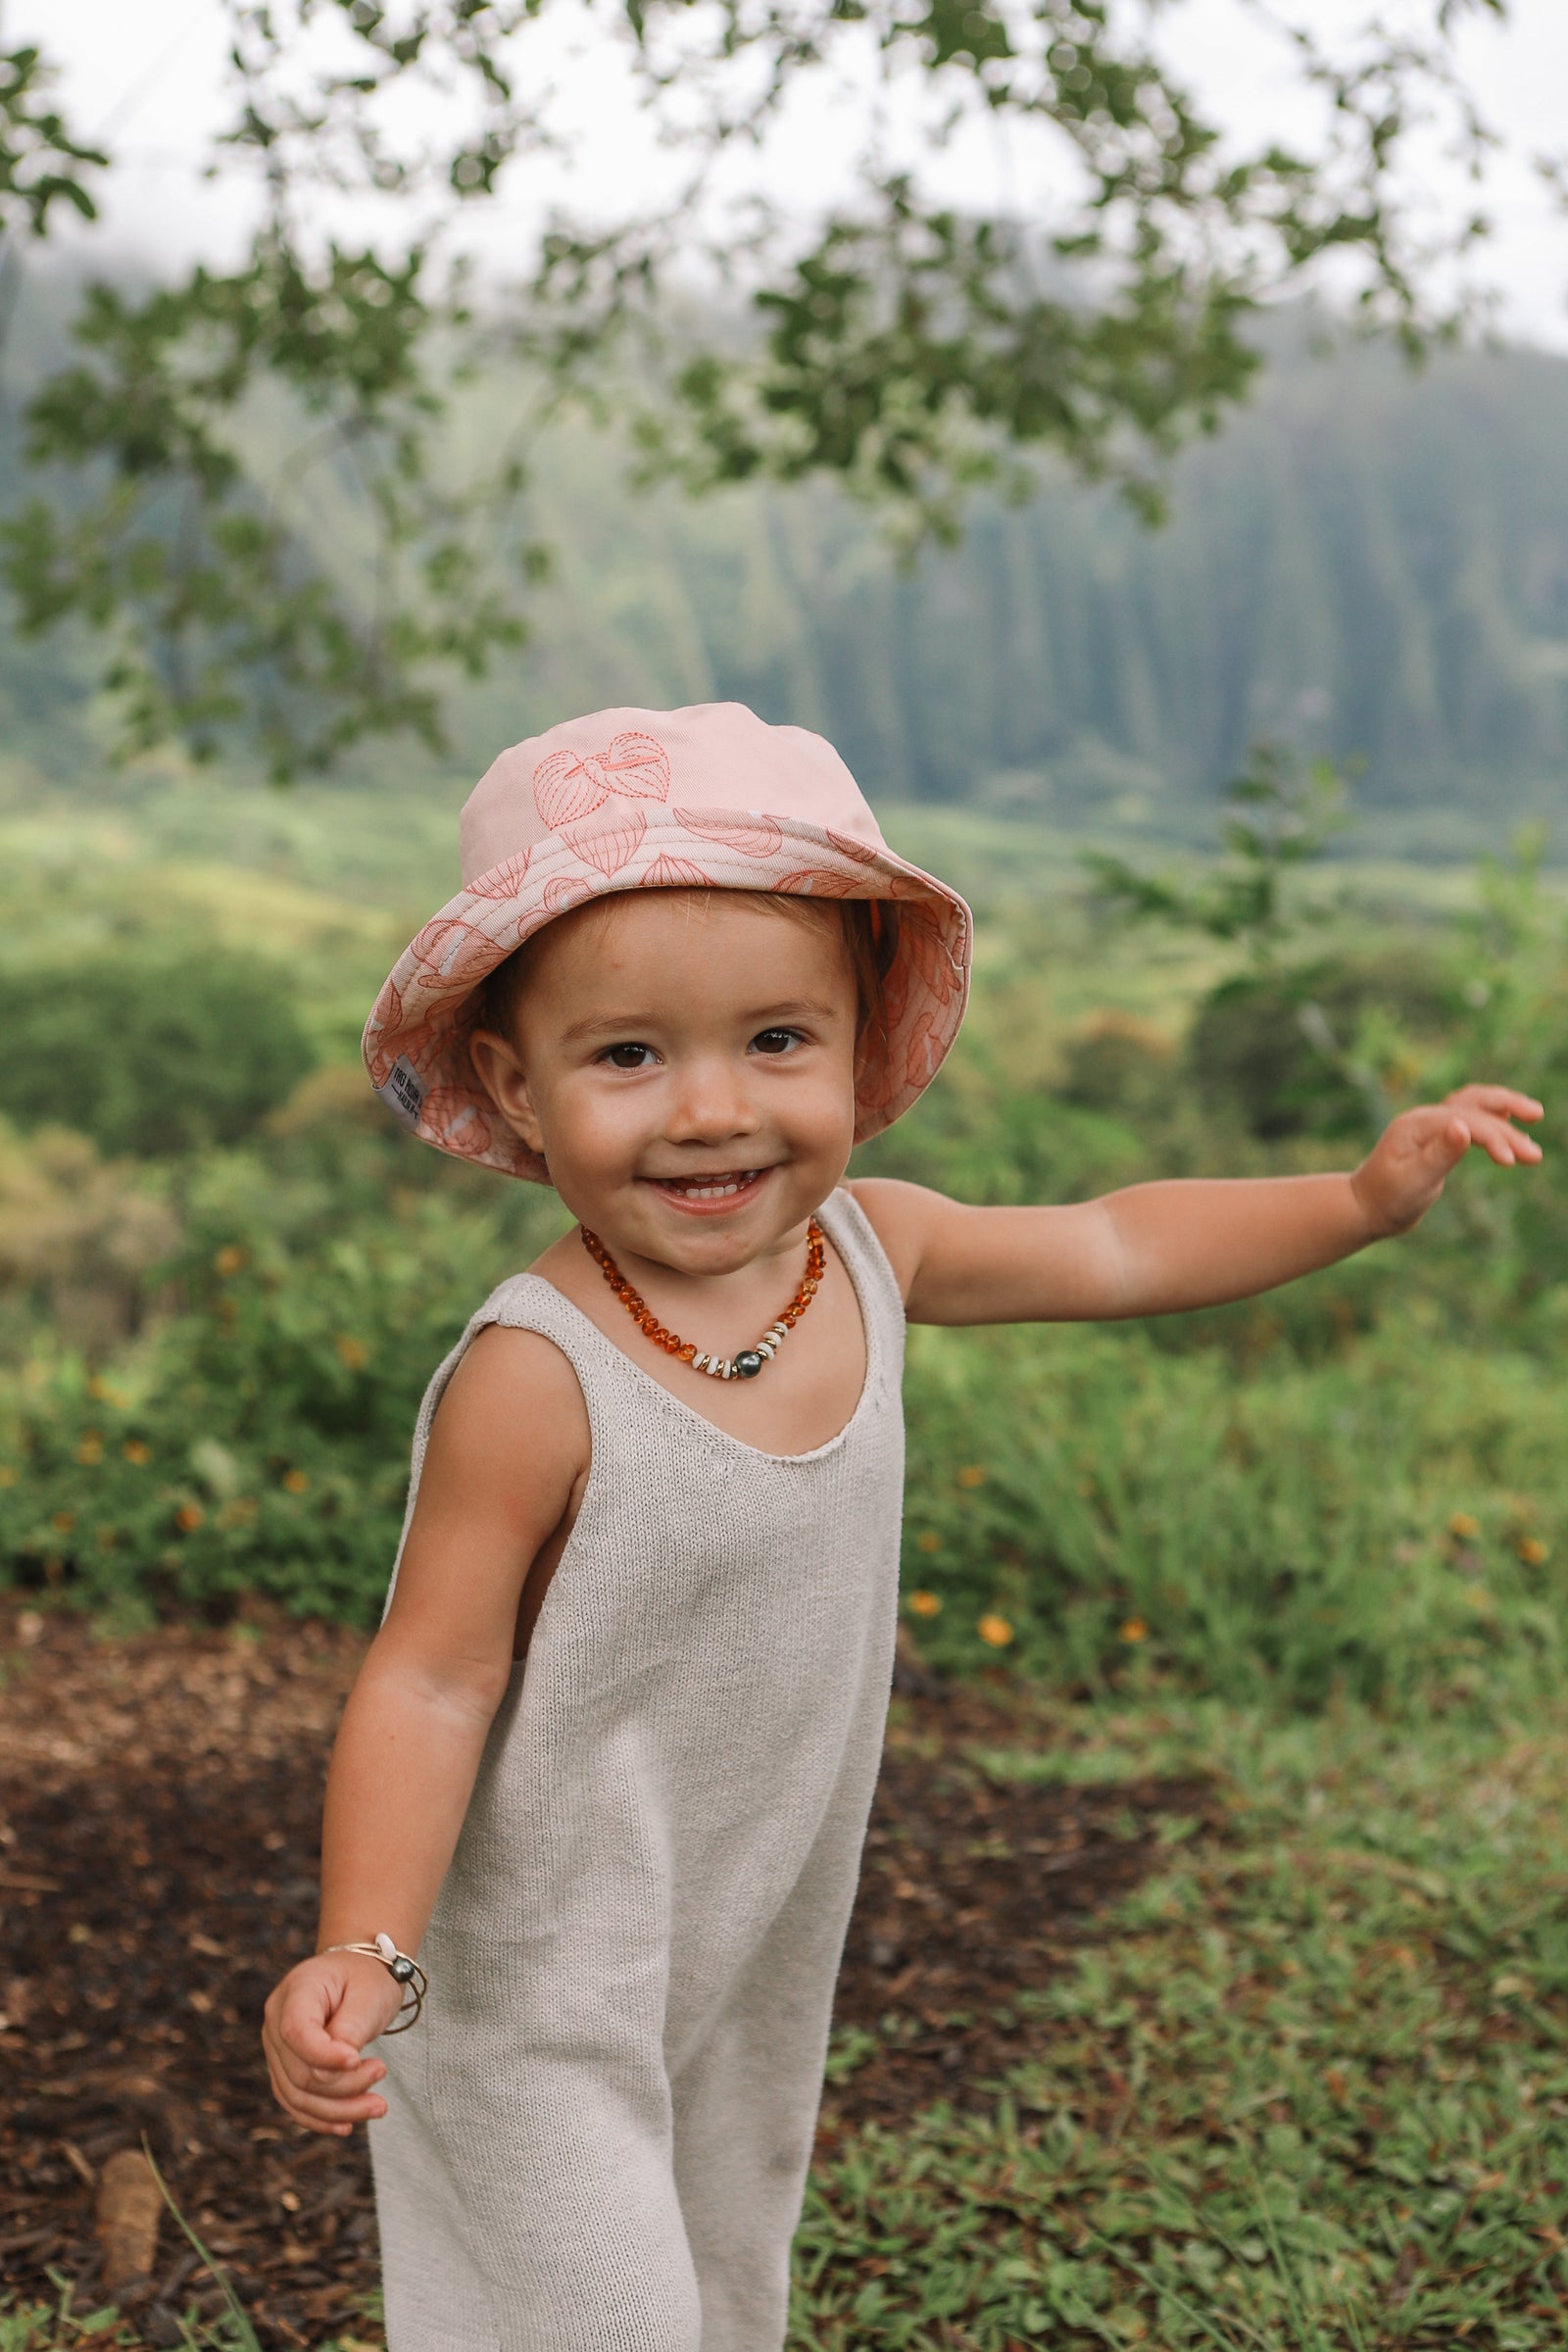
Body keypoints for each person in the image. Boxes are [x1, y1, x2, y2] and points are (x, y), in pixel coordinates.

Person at [260, 702, 1541, 2352]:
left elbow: (1117, 1244)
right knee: (596, 2319)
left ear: (859, 1048)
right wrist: (363, 1940)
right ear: (518, 1087)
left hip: (744, 1927)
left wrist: (1355, 1202)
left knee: (722, 2281)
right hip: (534, 1974)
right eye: (629, 1055)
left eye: (776, 1041)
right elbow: (433, 1676)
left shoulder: (874, 1252)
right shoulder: (537, 1376)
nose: (710, 1108)